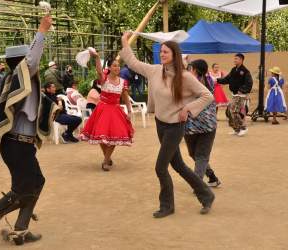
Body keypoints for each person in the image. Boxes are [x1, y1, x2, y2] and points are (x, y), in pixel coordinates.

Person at [0, 15, 57, 246]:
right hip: (16, 144)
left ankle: (20, 229)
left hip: (20, 145)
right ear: (22, 62)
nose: (36, 62)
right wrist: (42, 30)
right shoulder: (20, 74)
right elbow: (31, 61)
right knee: (23, 189)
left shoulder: (21, 82)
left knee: (36, 182)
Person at [120, 32, 215, 217]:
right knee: (178, 165)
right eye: (161, 51)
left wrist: (188, 109)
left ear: (175, 55)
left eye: (166, 52)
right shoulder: (155, 70)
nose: (162, 54)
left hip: (174, 127)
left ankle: (167, 206)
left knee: (160, 167)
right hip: (160, 124)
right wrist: (125, 42)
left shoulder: (185, 77)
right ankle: (206, 195)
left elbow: (207, 96)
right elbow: (133, 63)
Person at [80, 52, 134, 171]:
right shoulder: (104, 79)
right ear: (109, 68)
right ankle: (107, 157)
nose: (117, 68)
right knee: (101, 137)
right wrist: (97, 57)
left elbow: (125, 97)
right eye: (114, 65)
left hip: (115, 110)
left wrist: (130, 111)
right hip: (102, 109)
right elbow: (99, 71)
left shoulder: (123, 82)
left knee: (115, 137)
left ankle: (105, 160)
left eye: (118, 65)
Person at [185, 60, 221, 188]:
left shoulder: (192, 82)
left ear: (194, 69)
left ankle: (198, 185)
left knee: (199, 155)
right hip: (202, 125)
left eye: (191, 68)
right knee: (197, 155)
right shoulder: (209, 80)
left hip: (198, 124)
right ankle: (212, 177)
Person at [217, 53, 253, 136]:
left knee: (234, 111)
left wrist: (242, 90)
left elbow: (249, 83)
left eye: (236, 59)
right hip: (234, 94)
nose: (234, 60)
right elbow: (227, 79)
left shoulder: (245, 71)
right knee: (230, 111)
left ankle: (243, 127)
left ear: (241, 60)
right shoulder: (233, 70)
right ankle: (236, 129)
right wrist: (218, 80)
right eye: (234, 59)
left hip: (240, 95)